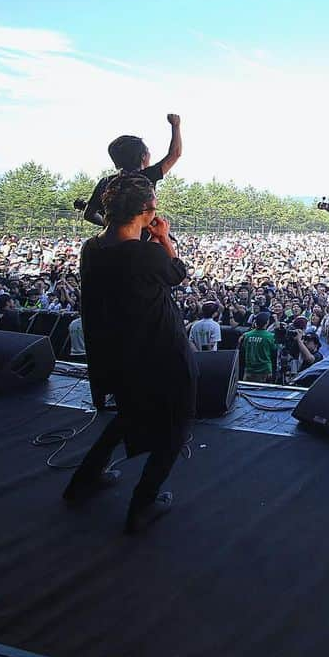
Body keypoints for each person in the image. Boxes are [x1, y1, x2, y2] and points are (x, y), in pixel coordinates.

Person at [62, 175, 197, 535]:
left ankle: (85, 479)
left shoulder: (92, 248)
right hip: (159, 351)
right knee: (177, 425)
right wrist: (164, 238)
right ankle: (143, 503)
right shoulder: (144, 253)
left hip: (120, 352)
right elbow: (177, 273)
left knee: (129, 414)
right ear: (145, 211)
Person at [81, 114, 183, 227]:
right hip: (142, 240)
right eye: (147, 151)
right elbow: (175, 154)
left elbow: (89, 214)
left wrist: (109, 225)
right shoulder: (146, 177)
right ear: (143, 156)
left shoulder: (105, 182)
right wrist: (176, 125)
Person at [241, 312, 278, 382]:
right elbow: (274, 352)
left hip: (249, 370)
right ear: (267, 322)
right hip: (264, 370)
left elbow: (243, 349)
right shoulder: (270, 336)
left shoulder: (247, 335)